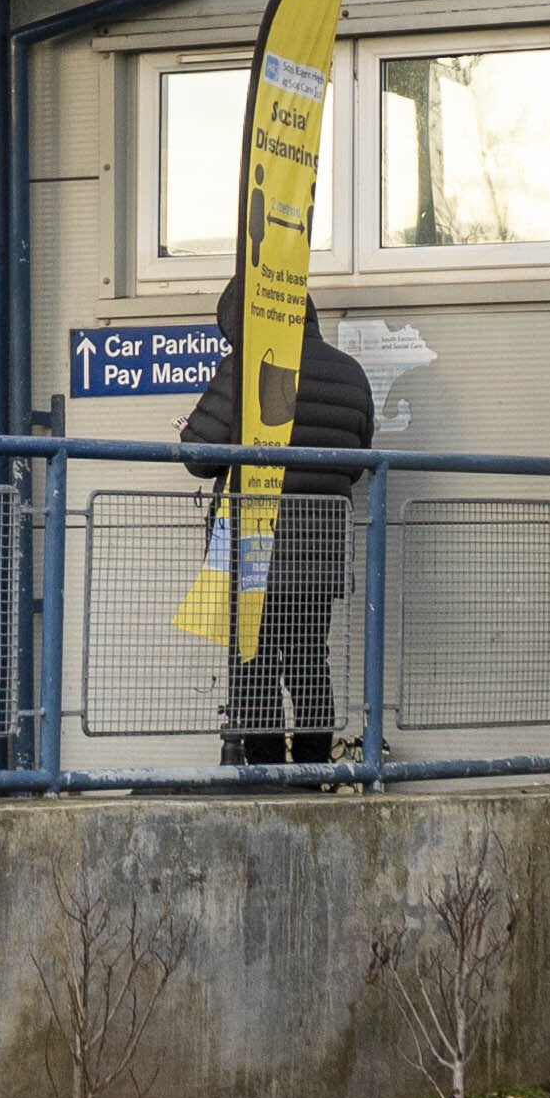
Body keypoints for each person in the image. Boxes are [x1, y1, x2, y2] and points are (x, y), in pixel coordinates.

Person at [178, 275, 377, 769]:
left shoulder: (247, 365)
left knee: (254, 663)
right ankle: (314, 771)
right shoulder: (351, 373)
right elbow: (356, 462)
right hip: (321, 544)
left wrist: (187, 433)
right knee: (310, 660)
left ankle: (263, 771)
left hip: (253, 544)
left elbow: (200, 455)